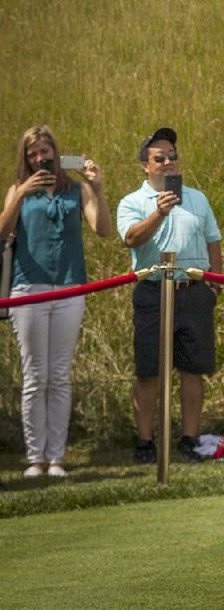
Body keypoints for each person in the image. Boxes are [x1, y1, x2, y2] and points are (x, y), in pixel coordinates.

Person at [0, 127, 111, 477]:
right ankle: (35, 458)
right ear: (25, 158)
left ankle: (56, 458)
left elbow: (103, 229)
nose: (40, 158)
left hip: (69, 287)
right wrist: (19, 197)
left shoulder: (75, 190)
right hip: (28, 288)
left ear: (56, 152)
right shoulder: (18, 190)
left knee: (60, 375)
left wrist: (98, 187)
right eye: (32, 153)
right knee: (36, 376)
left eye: (45, 151)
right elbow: (2, 233)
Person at [116, 128, 222, 464]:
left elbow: (212, 239)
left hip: (193, 292)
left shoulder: (197, 198)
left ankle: (189, 439)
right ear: (145, 166)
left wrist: (214, 285)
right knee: (149, 371)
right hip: (153, 292)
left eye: (172, 156)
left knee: (193, 370)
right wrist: (159, 212)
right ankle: (146, 441)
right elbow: (132, 238)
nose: (168, 162)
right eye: (159, 158)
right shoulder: (132, 202)